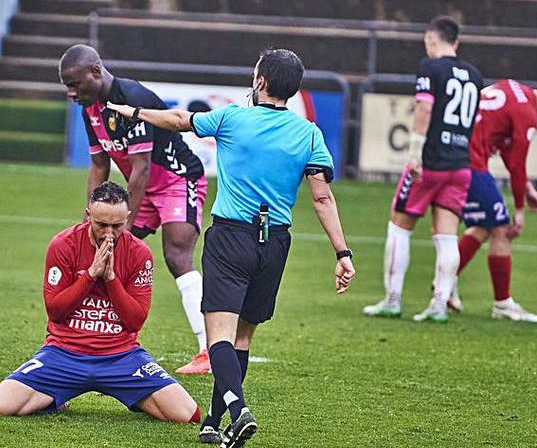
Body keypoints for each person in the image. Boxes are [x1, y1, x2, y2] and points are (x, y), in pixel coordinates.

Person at [107, 48, 356, 448]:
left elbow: (176, 120)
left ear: (260, 82)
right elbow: (322, 198)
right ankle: (212, 421)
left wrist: (133, 112)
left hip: (230, 238)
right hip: (274, 243)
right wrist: (342, 253)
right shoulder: (309, 133)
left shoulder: (232, 118)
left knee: (218, 336)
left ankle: (237, 410)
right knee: (242, 338)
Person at [0, 181, 200, 423]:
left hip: (121, 357)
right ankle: (60, 393)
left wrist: (110, 279)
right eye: (101, 225)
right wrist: (90, 276)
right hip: (64, 353)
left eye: (117, 226)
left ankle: (130, 391)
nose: (109, 233)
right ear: (88, 215)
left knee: (187, 414)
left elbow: (134, 321)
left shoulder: (139, 253)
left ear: (128, 218)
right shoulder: (63, 244)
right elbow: (55, 311)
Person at [59, 45, 211, 374]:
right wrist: (91, 219)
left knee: (176, 255)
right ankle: (91, 343)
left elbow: (140, 169)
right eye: (66, 86)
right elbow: (99, 166)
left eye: (74, 84)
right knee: (100, 251)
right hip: (141, 189)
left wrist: (121, 227)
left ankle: (208, 349)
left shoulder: (130, 98)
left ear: (95, 72)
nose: (71, 93)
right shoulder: (91, 108)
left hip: (177, 180)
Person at [363, 15, 484, 323]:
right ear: (456, 42)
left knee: (399, 226)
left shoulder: (430, 68)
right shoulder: (474, 74)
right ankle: (439, 304)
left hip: (428, 162)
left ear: (431, 40)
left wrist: (415, 153)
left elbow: (425, 107)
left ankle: (392, 299)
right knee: (446, 236)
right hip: (460, 165)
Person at [453, 80, 537, 322]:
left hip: (457, 154)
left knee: (485, 225)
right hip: (470, 162)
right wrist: (520, 210)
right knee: (502, 227)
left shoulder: (510, 87)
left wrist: (528, 187)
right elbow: (518, 162)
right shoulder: (527, 113)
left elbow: (507, 150)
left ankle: (445, 282)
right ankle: (502, 303)